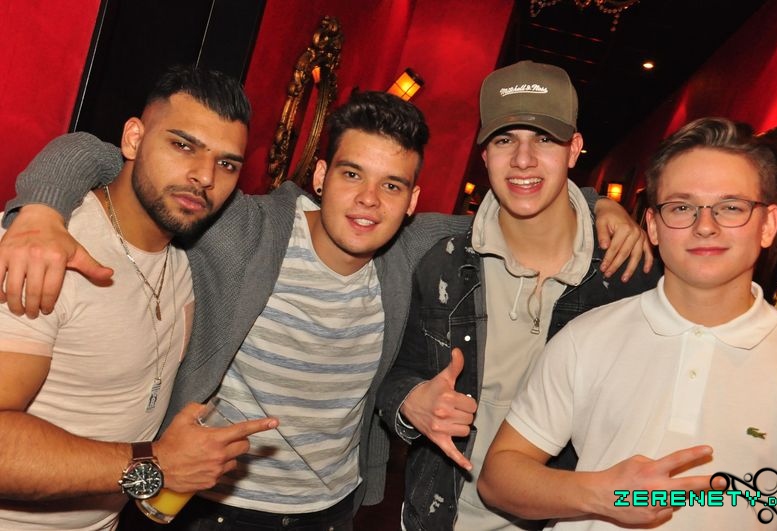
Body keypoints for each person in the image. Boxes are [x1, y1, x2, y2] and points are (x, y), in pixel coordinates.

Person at [0, 89, 649, 529]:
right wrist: (40, 209)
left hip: (333, 509)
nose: (368, 201)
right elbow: (104, 154)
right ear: (319, 175)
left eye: (391, 185)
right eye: (351, 174)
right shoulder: (243, 229)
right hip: (213, 505)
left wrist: (600, 204)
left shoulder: (414, 246)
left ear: (413, 200)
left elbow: (527, 208)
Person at [375, 60, 660, 531]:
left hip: (567, 522)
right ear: (485, 155)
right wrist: (410, 401)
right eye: (505, 140)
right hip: (439, 516)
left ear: (574, 149)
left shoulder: (626, 277)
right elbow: (397, 371)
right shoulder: (442, 261)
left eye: (544, 138)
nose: (523, 159)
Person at [478, 117, 777, 531]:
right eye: (681, 207)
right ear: (652, 226)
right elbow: (498, 479)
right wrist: (602, 493)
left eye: (731, 207)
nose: (705, 226)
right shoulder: (587, 337)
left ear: (768, 224)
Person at [0, 65, 277, 531]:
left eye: (227, 164)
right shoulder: (45, 252)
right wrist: (154, 464)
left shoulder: (190, 259)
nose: (204, 176)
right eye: (183, 145)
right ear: (133, 139)